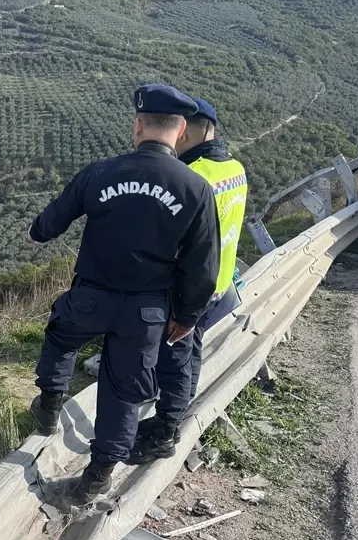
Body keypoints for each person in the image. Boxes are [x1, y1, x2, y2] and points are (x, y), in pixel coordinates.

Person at [29, 84, 220, 503]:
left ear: (137, 126)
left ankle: (50, 404)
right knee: (123, 390)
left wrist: (38, 231)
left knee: (62, 335)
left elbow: (50, 223)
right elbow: (203, 266)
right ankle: (96, 477)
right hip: (147, 313)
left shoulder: (100, 173)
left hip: (91, 298)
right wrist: (186, 317)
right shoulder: (195, 188)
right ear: (181, 130)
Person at [129, 98, 248, 464]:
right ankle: (172, 416)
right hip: (218, 283)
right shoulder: (235, 168)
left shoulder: (190, 176)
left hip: (187, 286)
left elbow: (167, 240)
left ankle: (164, 432)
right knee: (190, 353)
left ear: (187, 131)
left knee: (176, 358)